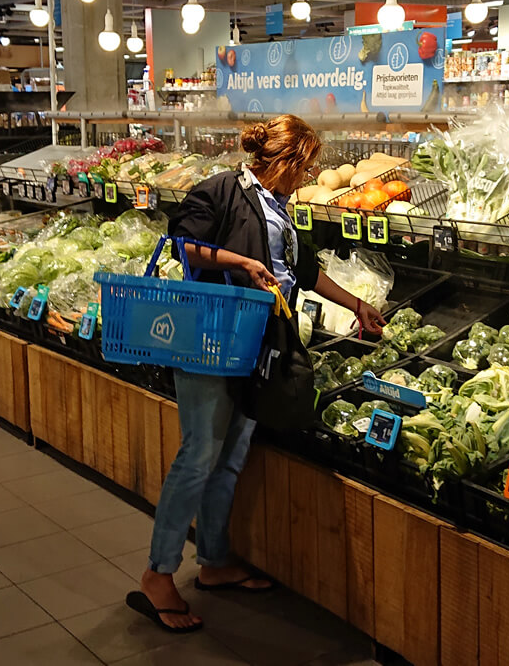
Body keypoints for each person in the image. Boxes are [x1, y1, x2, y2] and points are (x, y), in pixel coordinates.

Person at [127, 114, 386, 633]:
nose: (311, 174)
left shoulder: (281, 209)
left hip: (256, 341)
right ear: (287, 161)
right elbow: (185, 245)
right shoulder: (221, 190)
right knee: (198, 453)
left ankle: (216, 562)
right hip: (209, 337)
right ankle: (158, 574)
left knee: (230, 456)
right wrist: (239, 264)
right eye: (307, 165)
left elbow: (304, 269)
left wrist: (358, 303)